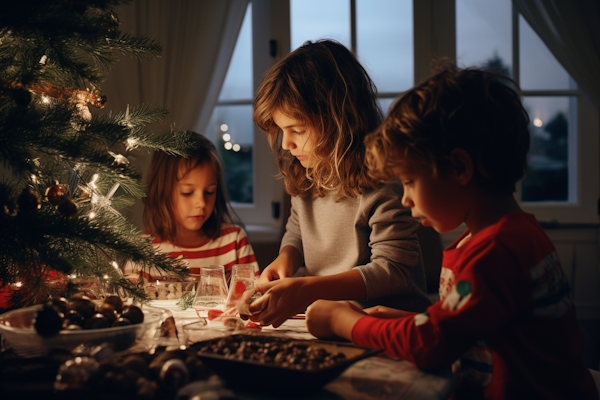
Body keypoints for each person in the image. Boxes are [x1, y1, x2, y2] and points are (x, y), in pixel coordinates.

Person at [305, 65, 598, 400]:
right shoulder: (501, 236)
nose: (405, 199)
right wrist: (404, 319)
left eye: (410, 181)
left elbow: (433, 344)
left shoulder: (497, 252)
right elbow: (470, 327)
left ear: (459, 168)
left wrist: (344, 322)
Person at [249, 39, 431, 328]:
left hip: (389, 325)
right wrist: (287, 257)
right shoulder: (307, 174)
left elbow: (393, 270)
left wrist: (308, 288)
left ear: (339, 119)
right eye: (282, 130)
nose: (287, 143)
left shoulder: (384, 184)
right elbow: (297, 231)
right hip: (327, 319)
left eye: (297, 129)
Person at [125, 133, 258, 284]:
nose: (201, 203)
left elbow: (254, 300)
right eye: (187, 193)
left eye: (209, 192)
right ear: (162, 191)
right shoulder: (142, 251)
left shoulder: (234, 242)